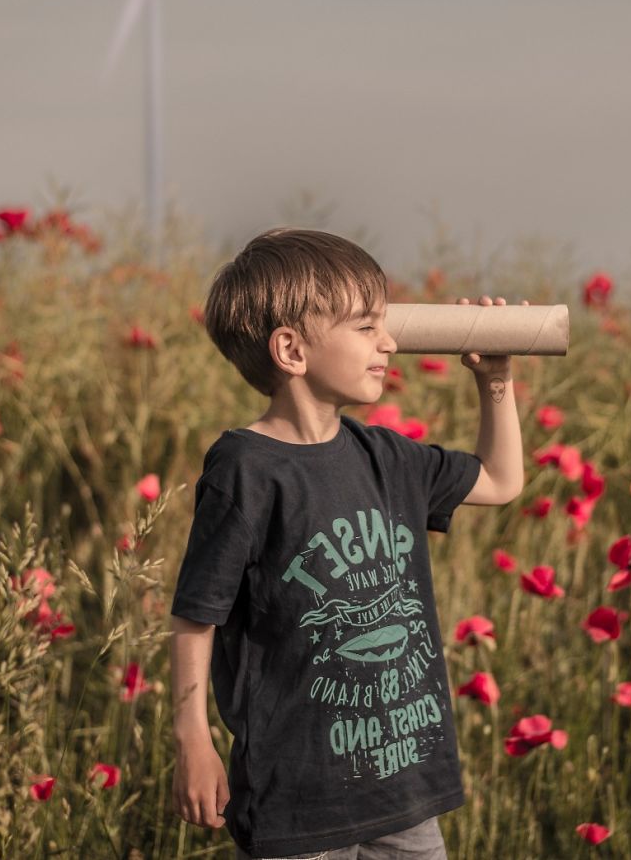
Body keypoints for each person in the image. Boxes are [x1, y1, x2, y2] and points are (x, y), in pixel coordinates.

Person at [169, 228, 526, 860]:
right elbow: (197, 616)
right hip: (298, 799)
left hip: (404, 783)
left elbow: (500, 481)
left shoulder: (387, 456)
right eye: (365, 327)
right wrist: (192, 740)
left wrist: (494, 382)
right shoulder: (247, 471)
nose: (389, 342)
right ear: (292, 349)